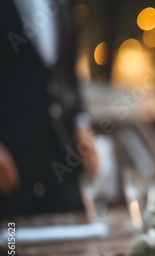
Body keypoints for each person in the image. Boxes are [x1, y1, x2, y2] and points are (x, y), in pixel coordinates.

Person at [0, 0, 98, 219]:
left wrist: (81, 124)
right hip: (10, 166)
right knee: (11, 250)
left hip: (61, 156)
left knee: (74, 244)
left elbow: (68, 73)